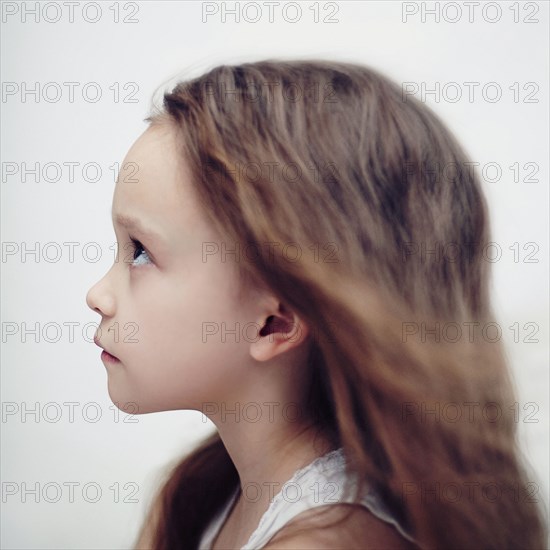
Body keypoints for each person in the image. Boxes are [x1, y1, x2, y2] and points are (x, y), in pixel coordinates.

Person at [86, 59, 547, 549]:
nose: (97, 295)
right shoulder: (205, 492)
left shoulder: (329, 541)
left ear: (274, 322)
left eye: (140, 252)